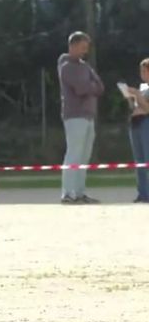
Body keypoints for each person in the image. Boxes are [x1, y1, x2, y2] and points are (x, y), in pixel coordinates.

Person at [57, 31, 104, 204]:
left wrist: (89, 85)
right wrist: (89, 86)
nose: (85, 51)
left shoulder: (85, 66)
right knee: (74, 154)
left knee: (84, 156)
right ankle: (68, 193)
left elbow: (100, 86)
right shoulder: (66, 66)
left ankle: (79, 192)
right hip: (74, 115)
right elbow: (81, 88)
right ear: (73, 46)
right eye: (83, 47)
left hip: (88, 116)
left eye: (87, 48)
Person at [123, 58, 149, 203]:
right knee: (139, 161)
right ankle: (143, 193)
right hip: (136, 123)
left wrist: (138, 95)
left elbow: (147, 108)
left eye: (145, 71)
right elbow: (135, 108)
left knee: (147, 159)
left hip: (146, 123)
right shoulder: (143, 88)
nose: (142, 74)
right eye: (141, 71)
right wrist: (130, 98)